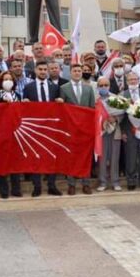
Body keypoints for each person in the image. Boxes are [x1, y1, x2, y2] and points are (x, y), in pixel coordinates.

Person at [22, 61, 64, 196]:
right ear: (35, 70)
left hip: (51, 127)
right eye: (40, 69)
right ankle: (37, 186)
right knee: (36, 156)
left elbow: (59, 108)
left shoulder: (55, 87)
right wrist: (24, 102)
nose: (43, 72)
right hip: (35, 128)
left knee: (52, 156)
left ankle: (52, 185)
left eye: (45, 69)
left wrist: (60, 102)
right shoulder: (28, 87)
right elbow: (23, 108)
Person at [60, 63, 96, 195]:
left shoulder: (88, 88)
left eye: (79, 71)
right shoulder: (64, 88)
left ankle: (86, 183)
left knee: (85, 156)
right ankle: (71, 184)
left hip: (85, 128)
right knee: (71, 156)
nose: (77, 73)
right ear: (70, 73)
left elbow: (92, 108)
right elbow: (62, 109)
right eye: (74, 71)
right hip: (70, 128)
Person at [0, 72, 23, 198]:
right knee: (2, 161)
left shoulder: (17, 95)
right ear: (1, 81)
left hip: (16, 132)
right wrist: (2, 104)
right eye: (5, 79)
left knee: (15, 161)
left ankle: (16, 189)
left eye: (10, 79)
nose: (8, 81)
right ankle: (3, 190)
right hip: (1, 132)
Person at [121, 71, 140, 190]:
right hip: (129, 130)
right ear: (127, 82)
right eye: (130, 80)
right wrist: (123, 131)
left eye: (135, 79)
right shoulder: (122, 95)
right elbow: (121, 116)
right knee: (130, 156)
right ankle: (131, 180)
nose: (133, 81)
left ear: (138, 80)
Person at [95, 76, 122, 191]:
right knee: (102, 158)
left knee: (114, 157)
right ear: (97, 87)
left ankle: (115, 182)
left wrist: (115, 118)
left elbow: (122, 114)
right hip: (100, 132)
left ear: (109, 86)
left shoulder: (116, 98)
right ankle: (103, 182)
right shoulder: (95, 99)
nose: (104, 87)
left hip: (115, 131)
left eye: (106, 85)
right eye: (101, 85)